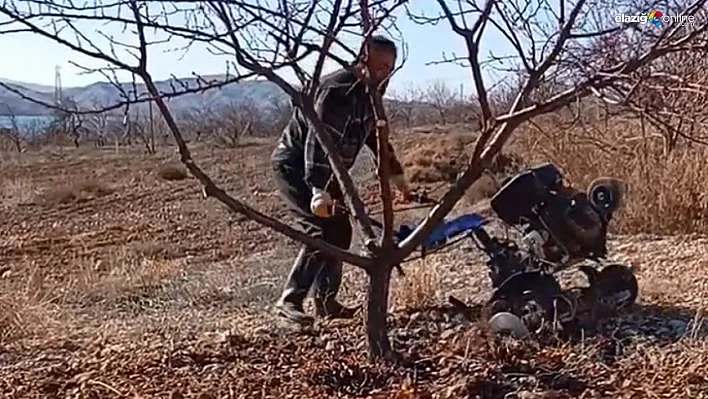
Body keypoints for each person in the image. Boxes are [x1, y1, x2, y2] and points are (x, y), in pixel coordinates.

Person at [269, 35, 411, 328]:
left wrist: (397, 177)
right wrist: (318, 189)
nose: (386, 73)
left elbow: (377, 139)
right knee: (319, 231)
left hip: (329, 171)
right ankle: (289, 302)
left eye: (391, 67)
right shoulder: (338, 92)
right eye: (381, 65)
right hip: (298, 166)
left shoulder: (371, 97)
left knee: (340, 231)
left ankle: (326, 302)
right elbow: (318, 143)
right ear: (363, 60)